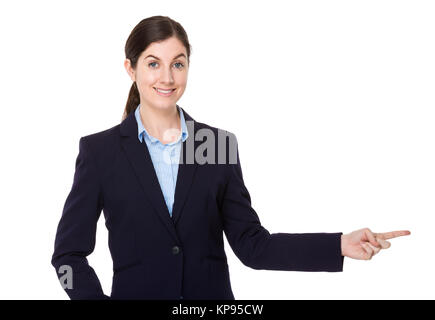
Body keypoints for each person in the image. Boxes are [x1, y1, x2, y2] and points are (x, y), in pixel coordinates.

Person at [51, 15, 411, 300]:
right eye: (152, 63)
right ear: (131, 69)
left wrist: (337, 246)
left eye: (177, 64)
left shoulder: (217, 145)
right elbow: (67, 256)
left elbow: (254, 246)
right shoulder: (100, 153)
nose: (166, 76)